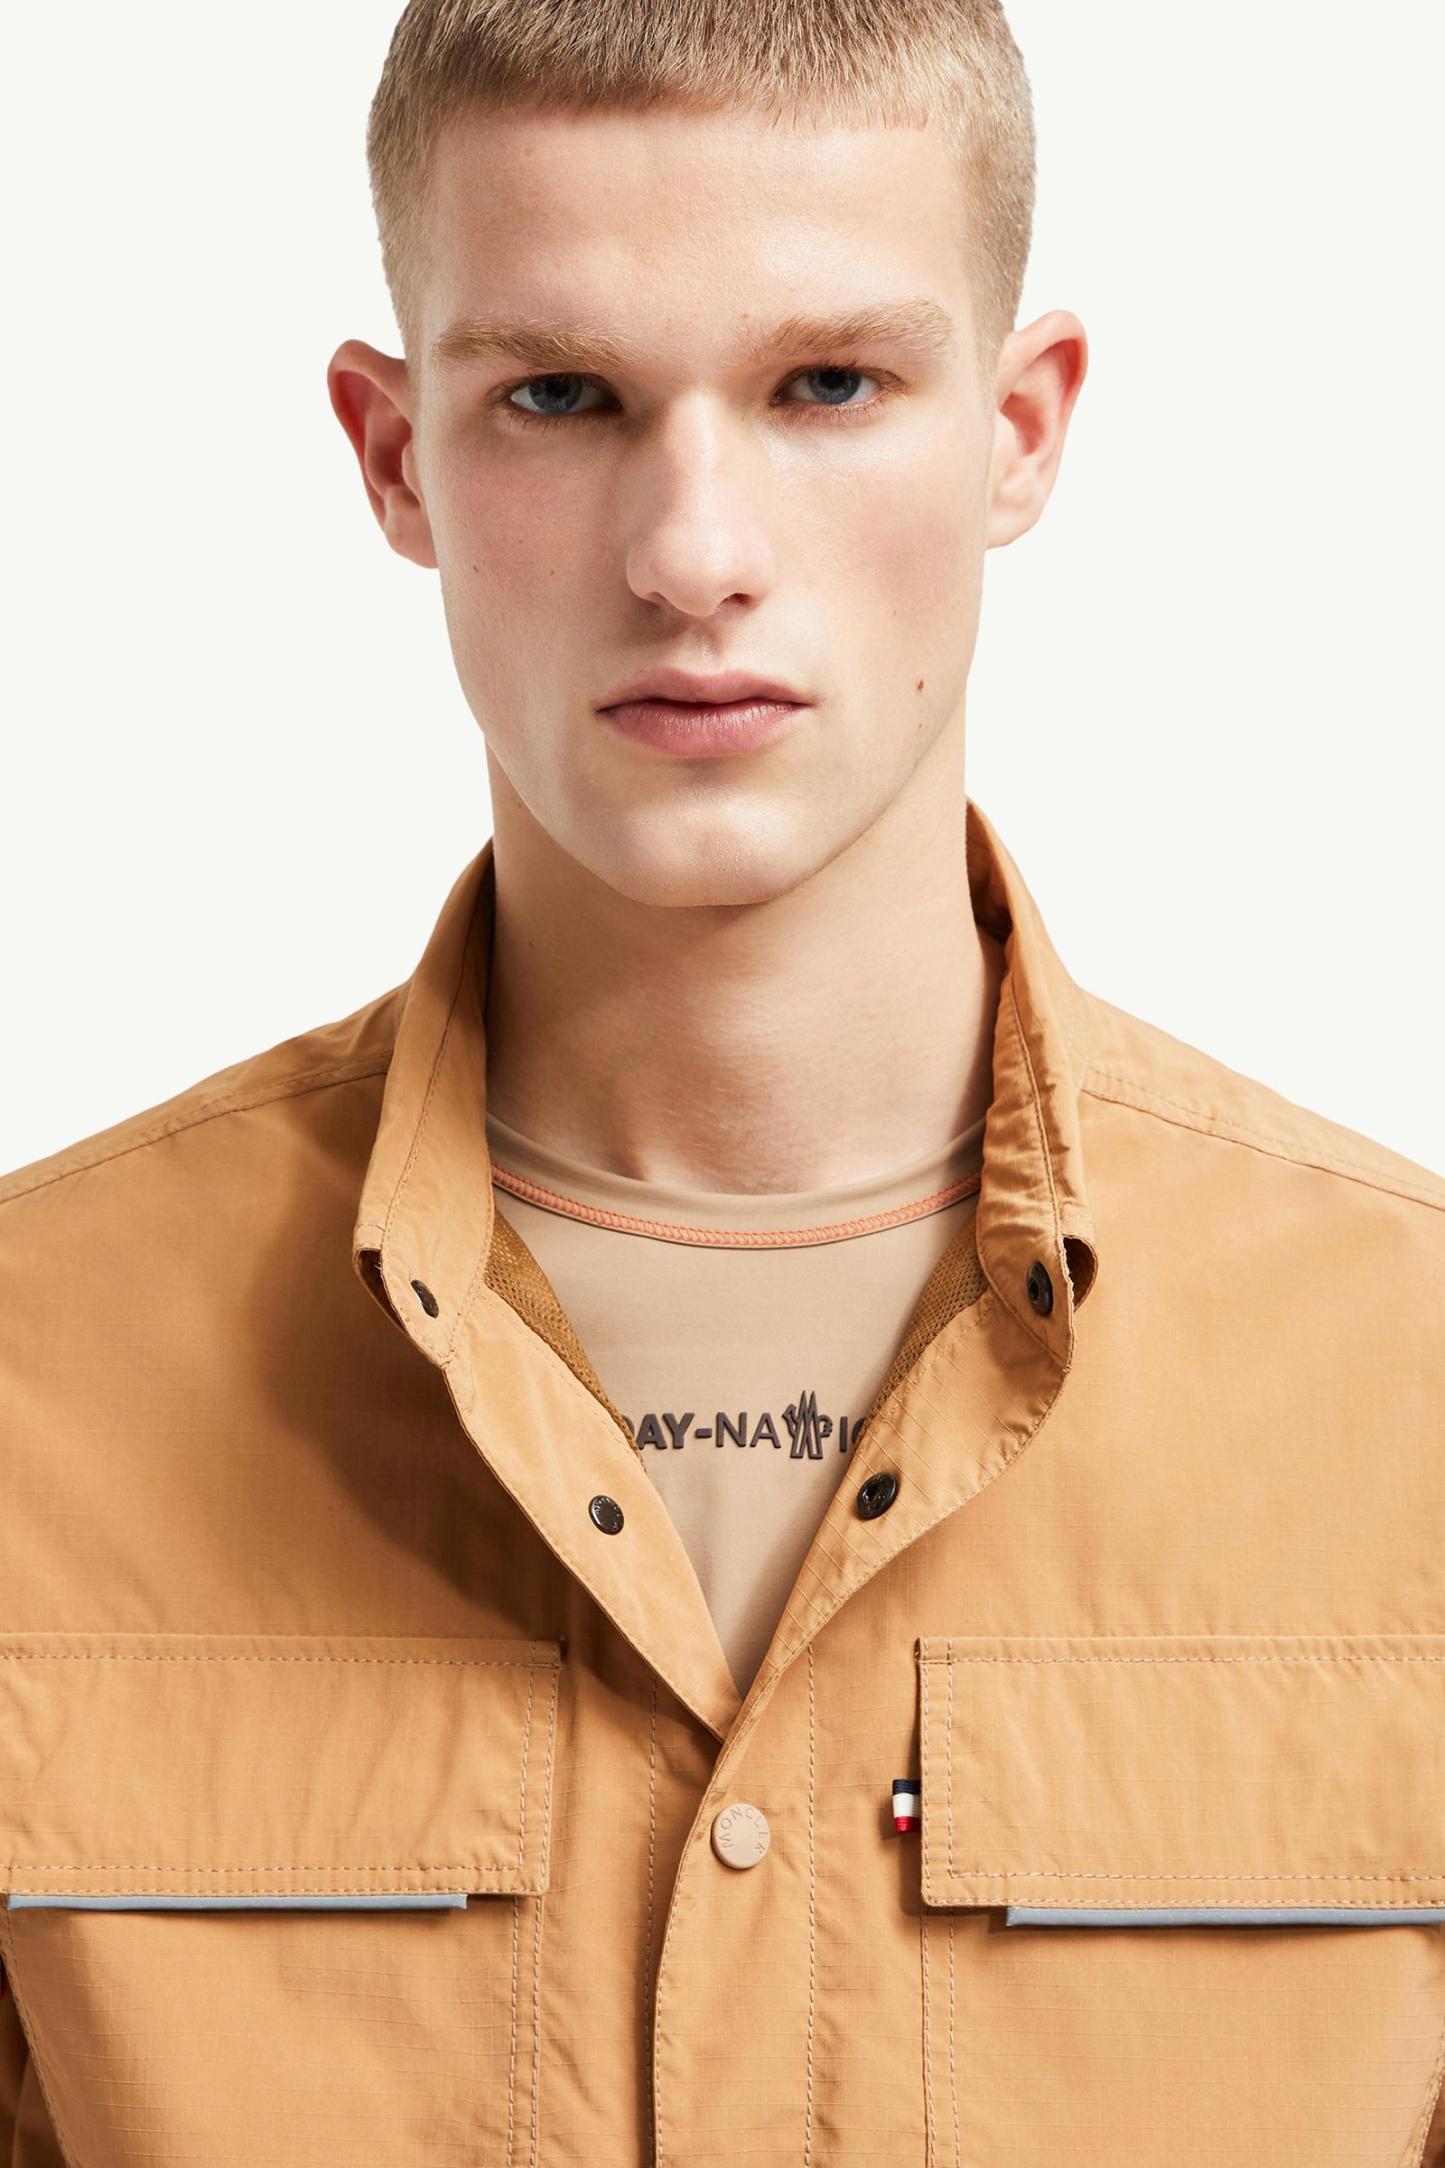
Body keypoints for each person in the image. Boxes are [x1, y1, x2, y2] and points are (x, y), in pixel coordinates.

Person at [3, 0, 1443, 2161]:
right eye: (560, 396)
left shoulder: (1416, 1392)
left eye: (827, 385)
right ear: (393, 457)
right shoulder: (29, 1379)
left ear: (1021, 429)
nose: (692, 556)